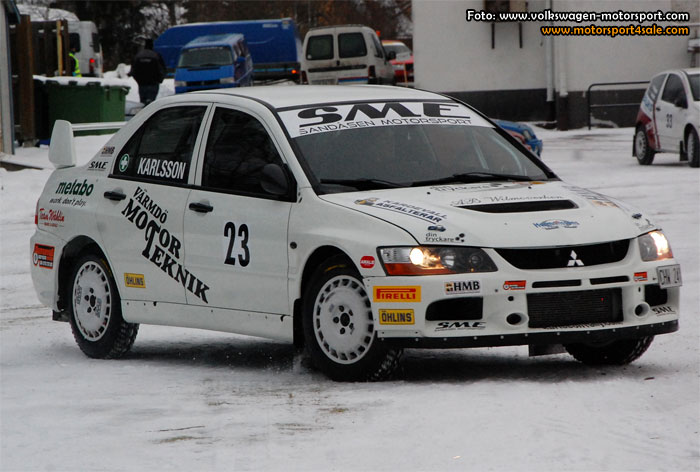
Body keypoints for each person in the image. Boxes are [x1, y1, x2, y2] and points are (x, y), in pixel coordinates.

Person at [130, 38, 166, 105]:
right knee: (151, 103)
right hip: (153, 83)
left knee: (143, 103)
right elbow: (162, 69)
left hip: (142, 84)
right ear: (152, 46)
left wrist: (139, 81)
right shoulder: (156, 55)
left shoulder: (138, 56)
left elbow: (133, 70)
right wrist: (160, 80)